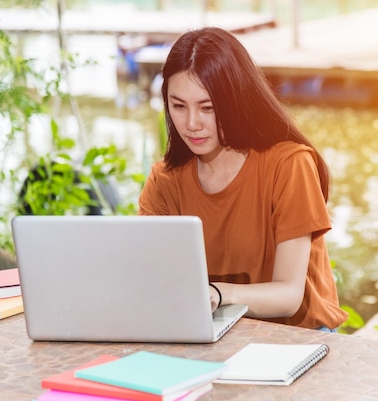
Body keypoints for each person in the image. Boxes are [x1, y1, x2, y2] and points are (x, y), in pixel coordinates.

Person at [138, 27, 348, 331]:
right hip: (213, 332)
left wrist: (218, 294)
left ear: (236, 100)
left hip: (298, 336)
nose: (192, 124)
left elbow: (289, 295)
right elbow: (151, 280)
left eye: (207, 108)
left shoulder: (289, 165)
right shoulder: (164, 180)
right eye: (178, 106)